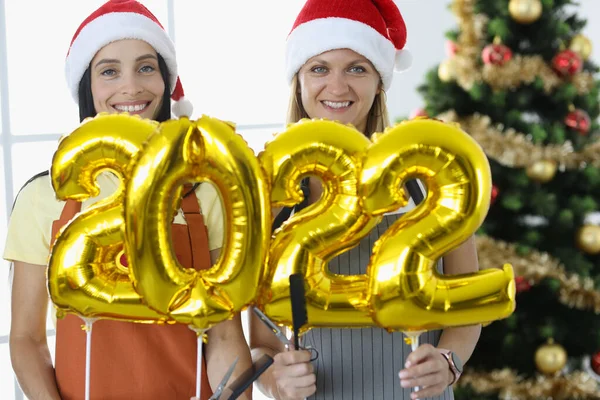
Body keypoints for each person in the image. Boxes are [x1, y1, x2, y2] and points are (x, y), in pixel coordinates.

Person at [3, 1, 252, 399]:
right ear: (87, 86)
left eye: (146, 67)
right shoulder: (42, 197)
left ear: (166, 79)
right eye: (109, 71)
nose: (131, 87)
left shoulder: (207, 192)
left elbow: (224, 337)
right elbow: (27, 340)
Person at [249, 0, 481, 399]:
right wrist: (275, 382)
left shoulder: (429, 177)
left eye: (357, 68)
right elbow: (259, 340)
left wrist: (448, 362)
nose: (337, 87)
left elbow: (467, 309)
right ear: (299, 81)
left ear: (379, 82)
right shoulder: (267, 192)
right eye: (319, 68)